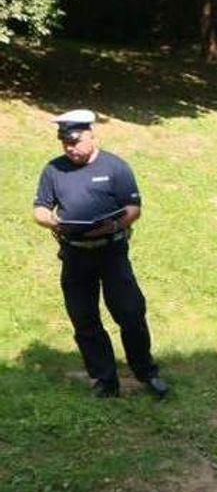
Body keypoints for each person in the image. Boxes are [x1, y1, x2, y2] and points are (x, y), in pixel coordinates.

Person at [33, 109, 170, 399]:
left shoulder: (116, 167)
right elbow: (41, 208)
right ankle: (105, 380)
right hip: (75, 255)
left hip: (112, 253)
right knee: (84, 319)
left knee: (131, 312)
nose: (71, 148)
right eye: (65, 143)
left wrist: (115, 225)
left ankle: (146, 372)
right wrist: (53, 221)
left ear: (92, 136)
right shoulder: (53, 170)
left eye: (76, 141)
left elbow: (134, 208)